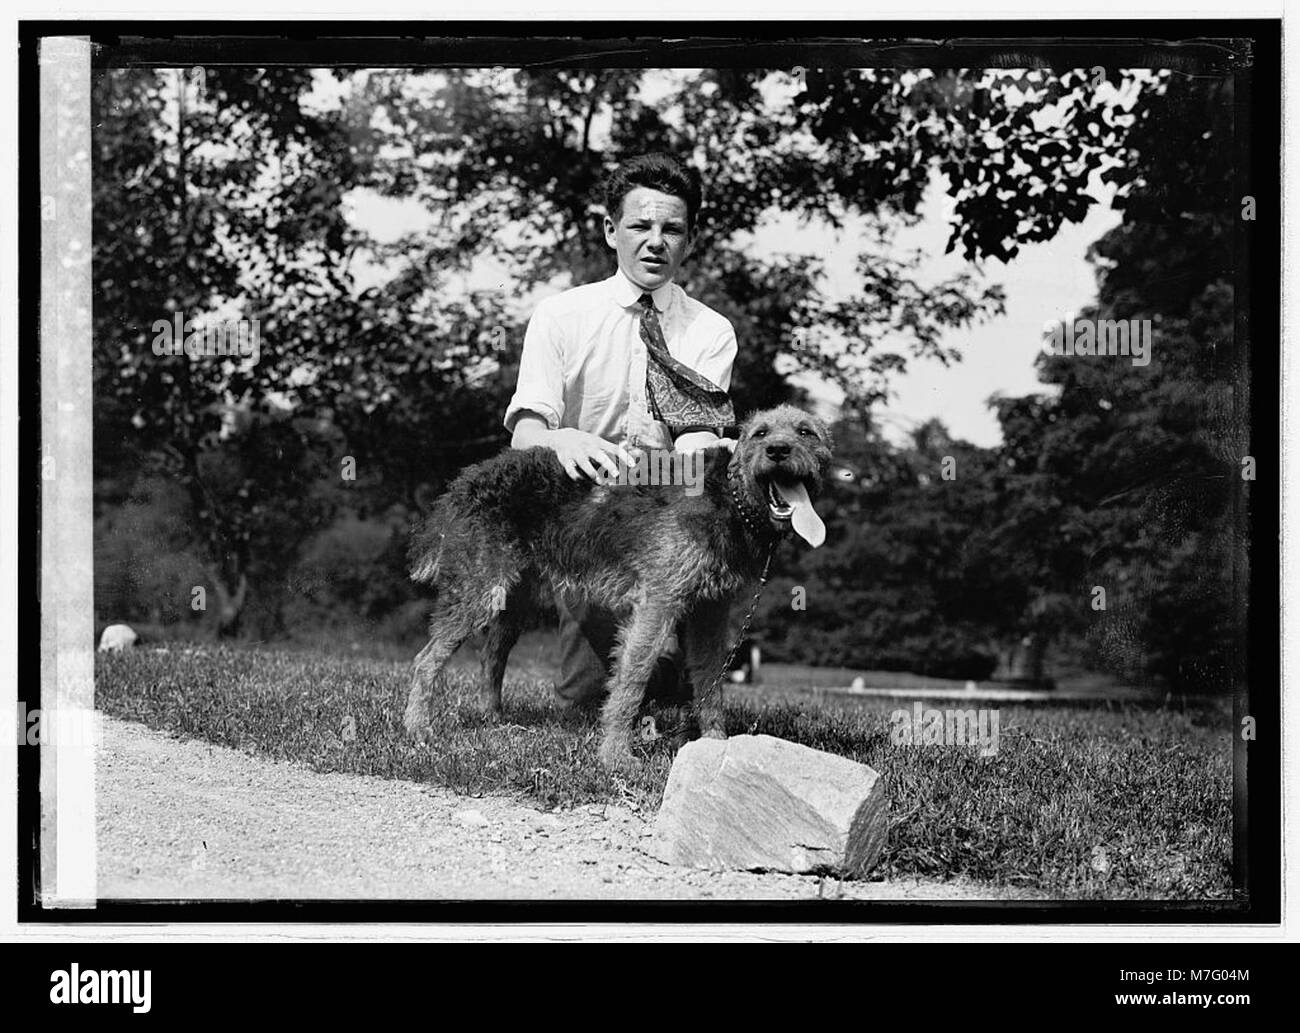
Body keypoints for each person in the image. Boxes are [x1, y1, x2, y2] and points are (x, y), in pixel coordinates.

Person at [504, 152, 739, 709]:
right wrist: (564, 438)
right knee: (587, 696)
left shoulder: (710, 330)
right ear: (612, 230)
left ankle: (677, 675)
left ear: (691, 239)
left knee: (672, 694)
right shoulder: (561, 315)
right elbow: (525, 434)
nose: (655, 242)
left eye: (672, 229)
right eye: (640, 226)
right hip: (583, 512)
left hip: (669, 510)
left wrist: (688, 458)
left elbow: (695, 455)